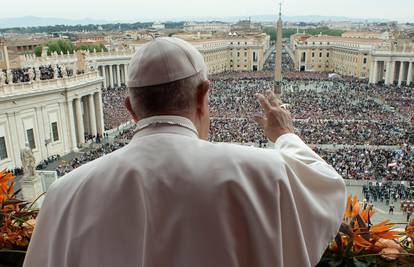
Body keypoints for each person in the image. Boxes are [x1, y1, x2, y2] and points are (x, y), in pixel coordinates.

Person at [24, 37, 346, 267]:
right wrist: (285, 136)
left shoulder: (65, 193)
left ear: (130, 110)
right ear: (203, 96)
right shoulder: (265, 172)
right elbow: (326, 185)